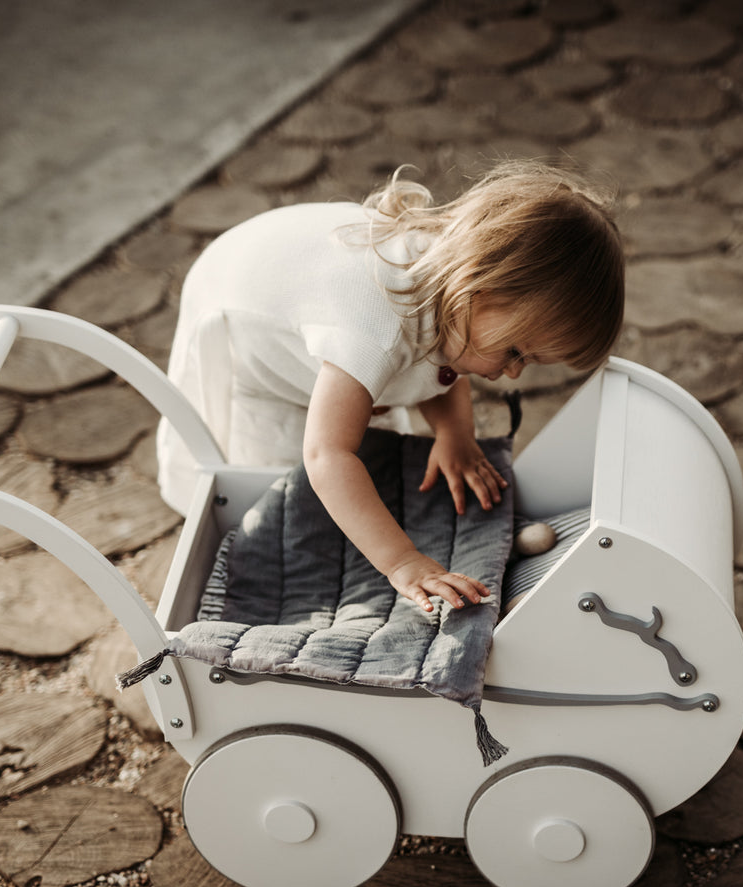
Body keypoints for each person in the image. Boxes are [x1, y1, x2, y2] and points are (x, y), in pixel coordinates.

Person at [155, 161, 625, 613]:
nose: (516, 373)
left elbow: (447, 362)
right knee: (276, 484)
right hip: (243, 320)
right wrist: (403, 562)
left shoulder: (455, 291)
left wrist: (455, 433)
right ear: (474, 286)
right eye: (516, 352)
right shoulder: (373, 332)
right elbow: (328, 455)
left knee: (368, 412)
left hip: (292, 268)